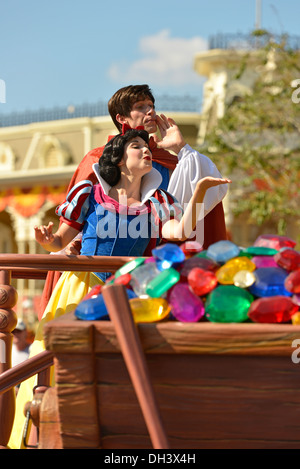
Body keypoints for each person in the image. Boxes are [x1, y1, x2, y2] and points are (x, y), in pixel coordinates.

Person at [9, 128, 230, 449]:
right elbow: (61, 239)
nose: (146, 150)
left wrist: (200, 191)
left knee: (126, 362)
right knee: (56, 356)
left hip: (130, 291)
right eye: (136, 146)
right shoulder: (89, 192)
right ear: (120, 158)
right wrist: (47, 241)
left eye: (146, 145)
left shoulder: (158, 201)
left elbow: (181, 231)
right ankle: (40, 434)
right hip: (83, 288)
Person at [38, 85, 228, 319]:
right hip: (89, 278)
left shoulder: (171, 165)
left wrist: (181, 150)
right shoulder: (96, 161)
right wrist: (59, 244)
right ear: (121, 118)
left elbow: (189, 220)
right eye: (141, 107)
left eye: (151, 106)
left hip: (144, 277)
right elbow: (73, 232)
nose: (150, 112)